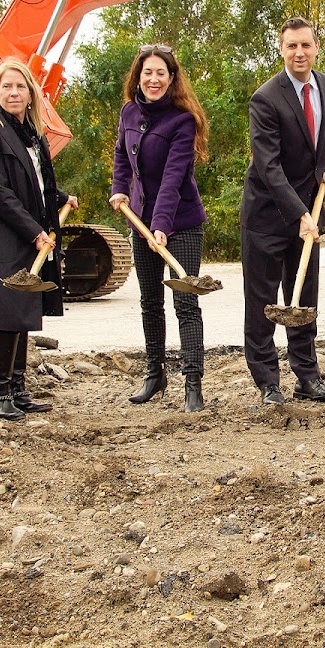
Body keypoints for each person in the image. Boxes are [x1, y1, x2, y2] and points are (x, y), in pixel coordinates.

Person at [0, 58, 78, 421]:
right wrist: (35, 230)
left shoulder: (32, 135)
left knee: (23, 309)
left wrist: (61, 198)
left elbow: (36, 181)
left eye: (20, 86)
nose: (14, 92)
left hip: (26, 232)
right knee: (8, 312)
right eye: (6, 86)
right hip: (2, 235)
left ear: (31, 94)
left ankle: (18, 388)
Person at [241, 17, 325, 405]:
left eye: (305, 45)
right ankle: (268, 381)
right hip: (268, 214)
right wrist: (300, 213)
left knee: (304, 298)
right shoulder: (266, 97)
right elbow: (267, 165)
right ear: (281, 50)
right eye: (291, 46)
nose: (299, 53)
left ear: (317, 47)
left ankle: (307, 376)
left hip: (308, 213)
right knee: (263, 301)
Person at [110, 44, 209, 412]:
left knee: (186, 301)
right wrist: (119, 189)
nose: (153, 80)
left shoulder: (182, 120)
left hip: (179, 223)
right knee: (150, 302)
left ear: (171, 79)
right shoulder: (128, 112)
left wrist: (162, 226)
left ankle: (193, 382)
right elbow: (122, 155)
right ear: (139, 76)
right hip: (140, 222)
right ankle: (155, 374)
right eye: (147, 73)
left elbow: (172, 177)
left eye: (161, 74)